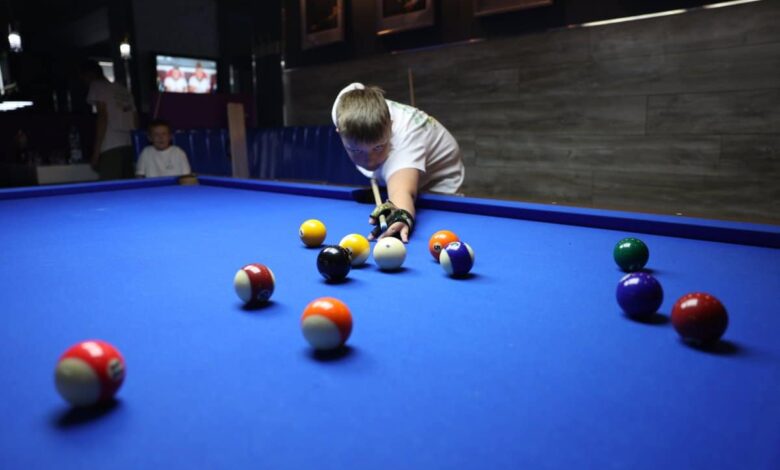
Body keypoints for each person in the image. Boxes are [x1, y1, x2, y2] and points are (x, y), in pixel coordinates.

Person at [332, 82, 464, 242]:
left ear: (391, 126)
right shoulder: (343, 107)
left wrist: (401, 215)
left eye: (378, 147)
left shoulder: (404, 144)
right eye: (356, 150)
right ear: (339, 132)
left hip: (439, 180)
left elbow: (402, 192)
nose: (370, 160)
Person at [80, 60, 138, 180]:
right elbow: (135, 118)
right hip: (129, 143)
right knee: (127, 184)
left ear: (89, 75)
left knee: (110, 185)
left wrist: (96, 152)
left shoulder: (97, 85)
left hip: (110, 145)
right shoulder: (123, 89)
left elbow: (103, 117)